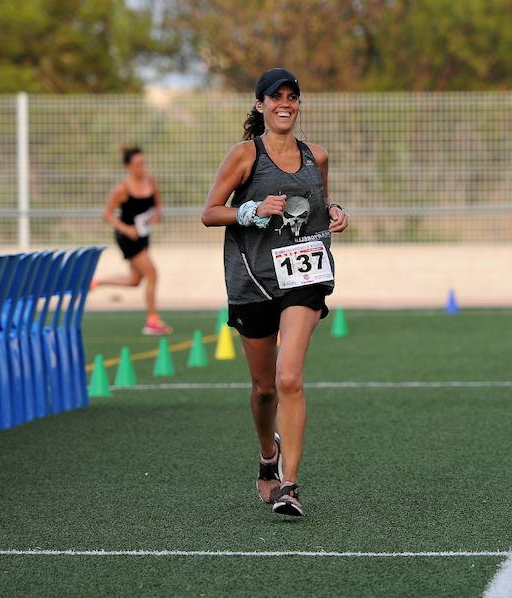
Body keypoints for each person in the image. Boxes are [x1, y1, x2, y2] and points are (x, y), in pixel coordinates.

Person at [201, 68, 348, 516]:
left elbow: (320, 206)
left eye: (293, 96)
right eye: (276, 97)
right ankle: (268, 455)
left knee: (289, 377)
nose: (285, 103)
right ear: (260, 104)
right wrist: (251, 209)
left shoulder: (315, 155)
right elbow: (209, 213)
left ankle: (290, 484)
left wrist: (337, 212)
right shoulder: (245, 155)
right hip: (253, 279)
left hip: (303, 277)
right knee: (265, 388)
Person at [93, 146, 173, 335]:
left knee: (135, 281)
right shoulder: (122, 189)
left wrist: (156, 216)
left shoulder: (152, 183)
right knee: (152, 273)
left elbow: (158, 207)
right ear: (128, 166)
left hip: (143, 236)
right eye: (137, 164)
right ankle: (152, 321)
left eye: (143, 163)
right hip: (127, 238)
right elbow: (107, 215)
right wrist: (126, 229)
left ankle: (97, 283)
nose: (141, 167)